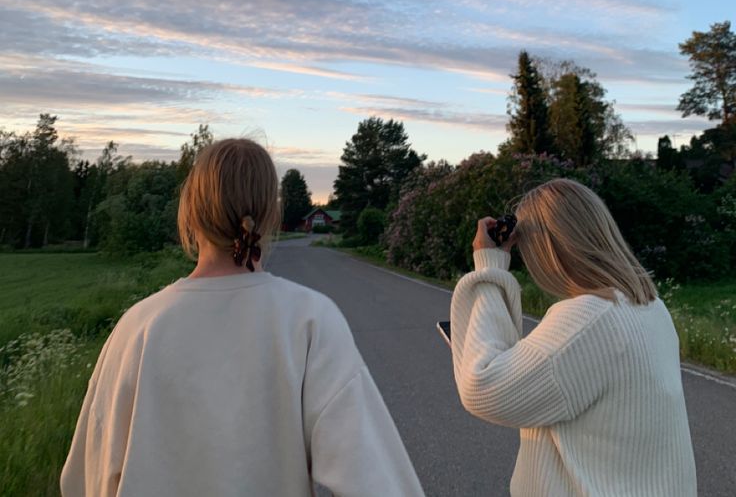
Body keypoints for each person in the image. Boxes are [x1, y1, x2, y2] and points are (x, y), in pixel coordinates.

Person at [61, 137, 425, 497]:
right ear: (269, 217)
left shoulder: (136, 327)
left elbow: (84, 478)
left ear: (190, 213)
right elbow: (379, 481)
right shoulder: (310, 321)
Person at [450, 177, 697, 497]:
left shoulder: (587, 320)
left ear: (546, 249)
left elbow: (481, 388)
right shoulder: (649, 307)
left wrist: (490, 265)